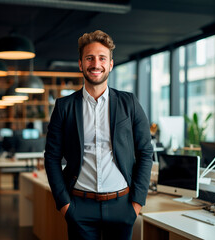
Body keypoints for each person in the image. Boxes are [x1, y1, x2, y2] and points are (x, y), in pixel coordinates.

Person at [44, 30, 153, 240]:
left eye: (102, 58)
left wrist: (136, 204)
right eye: (89, 58)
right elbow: (51, 157)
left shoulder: (128, 103)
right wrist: (65, 205)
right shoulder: (64, 107)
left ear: (110, 64)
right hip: (79, 207)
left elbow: (145, 152)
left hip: (122, 205)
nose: (96, 64)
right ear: (80, 64)